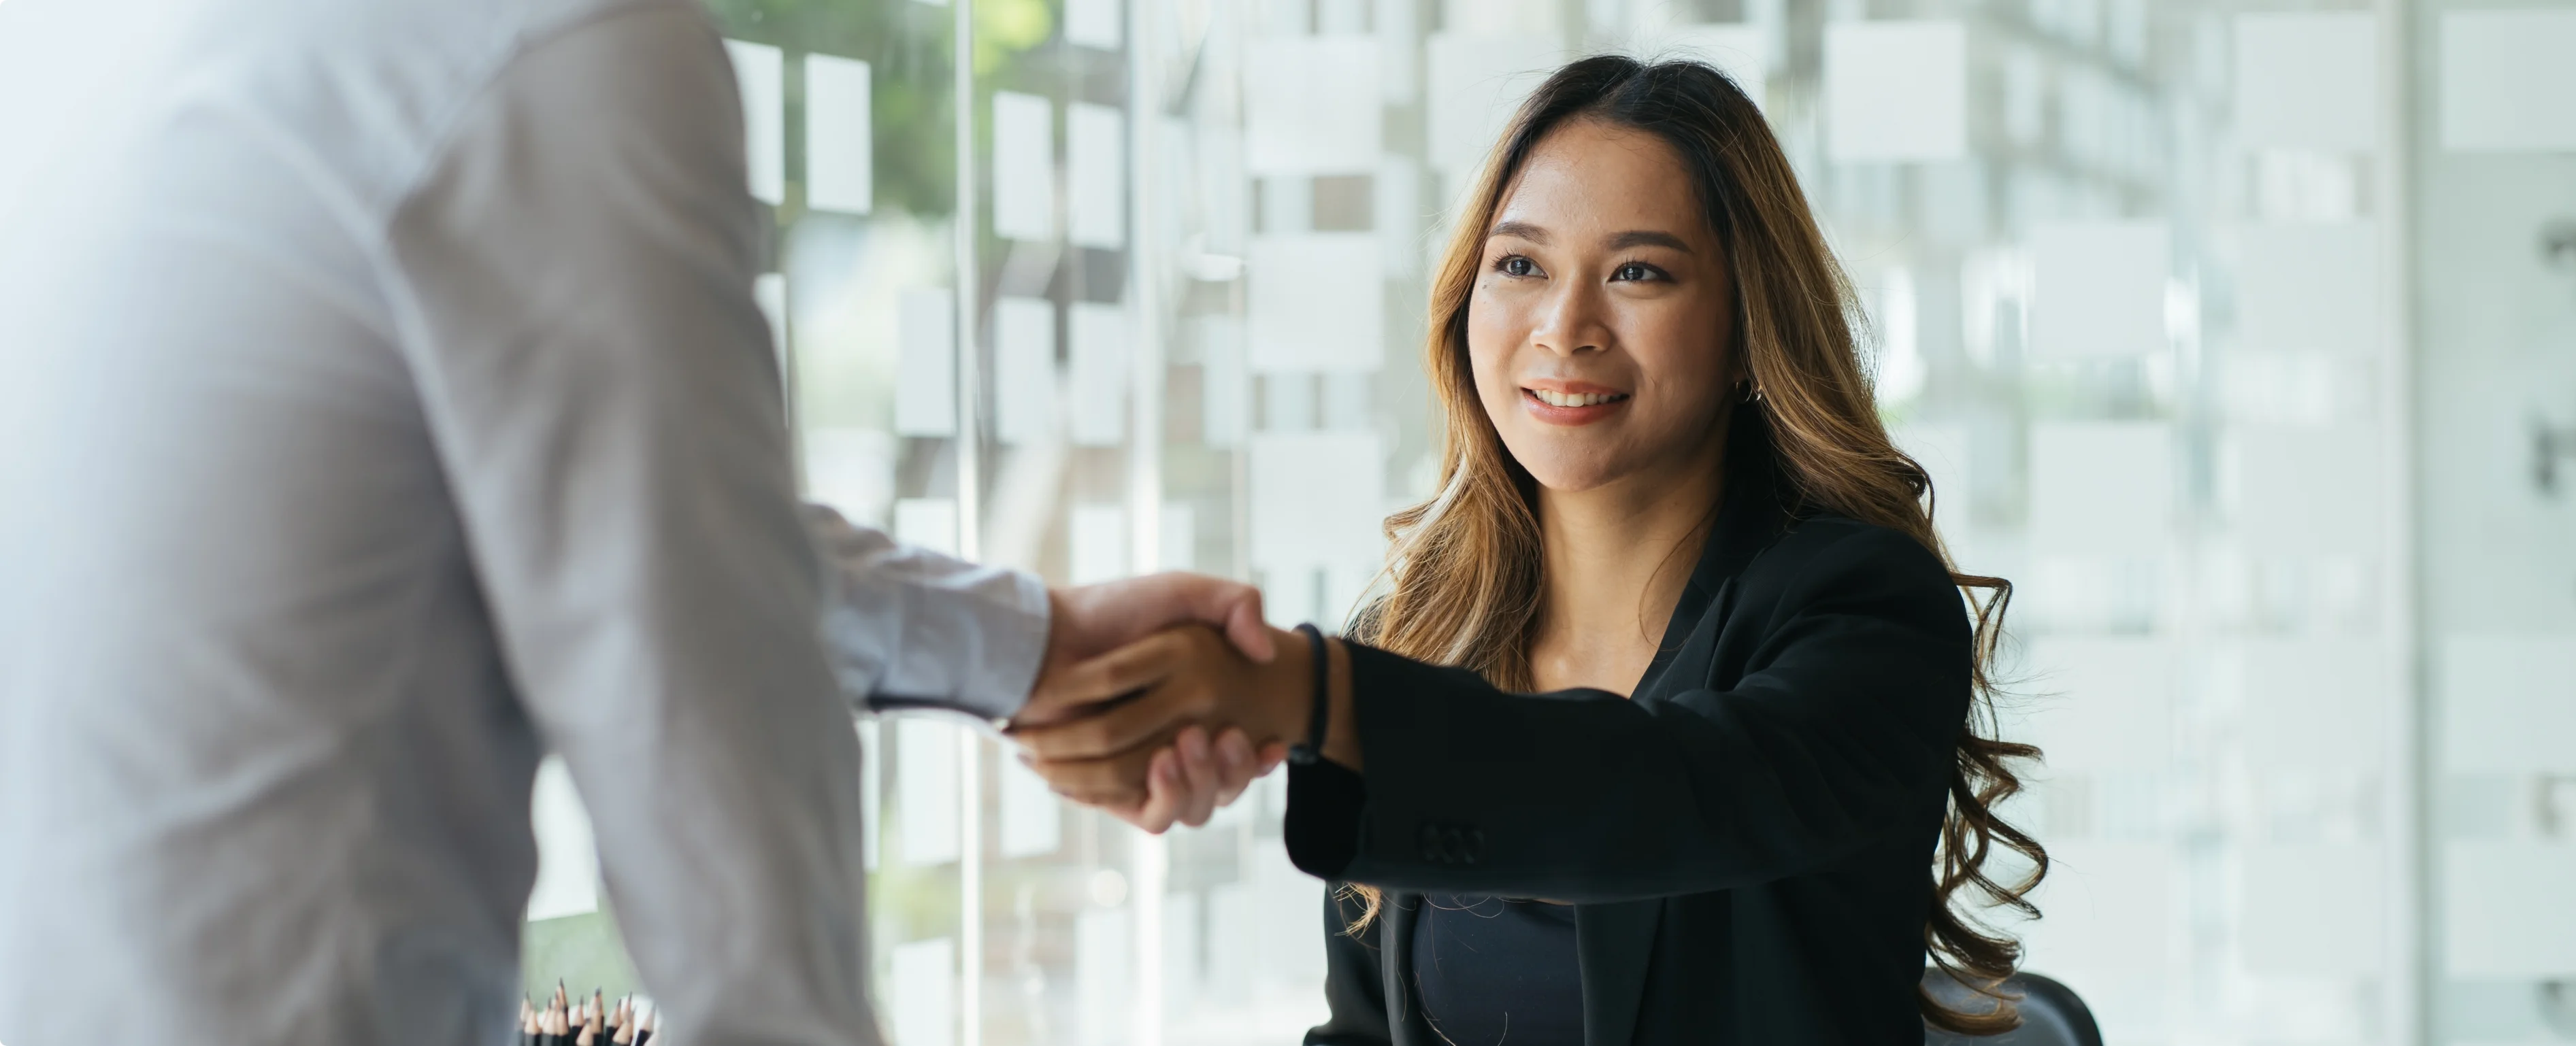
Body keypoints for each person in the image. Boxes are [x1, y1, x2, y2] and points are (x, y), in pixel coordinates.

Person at [0, 1, 1265, 1044]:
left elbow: (649, 529)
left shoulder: (124, 49)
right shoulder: (560, 45)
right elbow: (727, 835)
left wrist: (1025, 645)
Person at [1011, 56, 2049, 1043]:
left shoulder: (1866, 612)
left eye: (1639, 272)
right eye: (1519, 264)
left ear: (1746, 329)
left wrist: (1309, 692)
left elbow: (1643, 793)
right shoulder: (1419, 631)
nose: (1565, 324)